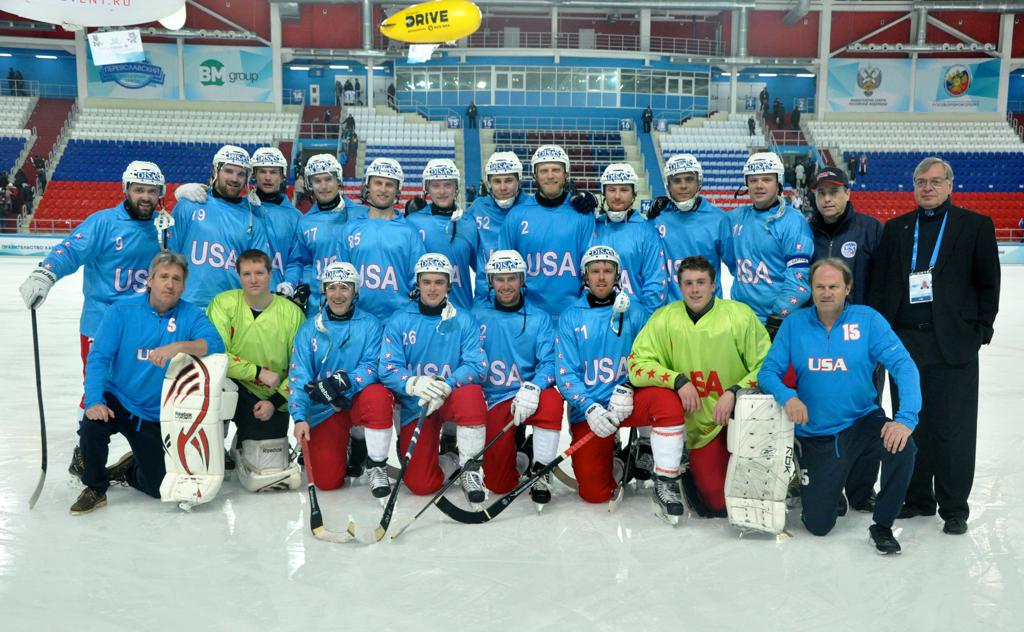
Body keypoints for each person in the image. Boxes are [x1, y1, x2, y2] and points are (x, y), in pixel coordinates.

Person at [869, 157, 1000, 535]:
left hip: (953, 344)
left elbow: (988, 284)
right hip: (904, 345)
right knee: (911, 421)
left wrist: (979, 332)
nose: (927, 187)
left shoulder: (974, 226)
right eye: (920, 181)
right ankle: (917, 498)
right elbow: (880, 286)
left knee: (954, 429)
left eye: (935, 181)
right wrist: (882, 337)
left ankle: (954, 506)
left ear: (949, 185)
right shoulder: (896, 230)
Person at [759, 258, 920, 554]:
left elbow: (903, 365)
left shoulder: (867, 320)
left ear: (848, 288)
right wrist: (788, 397)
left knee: (902, 445)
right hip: (817, 434)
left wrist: (906, 418)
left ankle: (881, 525)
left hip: (861, 422)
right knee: (818, 526)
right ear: (810, 289)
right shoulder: (795, 323)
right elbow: (768, 372)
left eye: (834, 286)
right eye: (819, 286)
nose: (826, 292)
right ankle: (830, 488)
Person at [19, 161, 167, 477]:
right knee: (97, 388)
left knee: (145, 389)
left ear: (160, 194)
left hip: (145, 326)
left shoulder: (163, 229)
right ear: (126, 190)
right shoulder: (104, 223)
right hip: (101, 326)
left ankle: (147, 448)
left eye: (151, 191)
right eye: (139, 189)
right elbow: (70, 250)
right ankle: (84, 451)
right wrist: (45, 273)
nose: (145, 196)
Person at [72, 252, 225, 514]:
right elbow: (99, 358)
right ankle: (95, 487)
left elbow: (215, 345)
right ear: (150, 280)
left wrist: (179, 345)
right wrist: (95, 400)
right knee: (93, 425)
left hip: (155, 412)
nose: (170, 284)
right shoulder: (121, 311)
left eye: (176, 279)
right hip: (119, 398)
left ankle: (129, 470)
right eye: (164, 277)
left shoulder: (191, 315)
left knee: (158, 487)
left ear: (184, 286)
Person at [628, 255, 770, 517]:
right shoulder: (664, 319)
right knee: (717, 504)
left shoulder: (739, 316)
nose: (695, 289)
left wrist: (735, 391)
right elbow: (636, 365)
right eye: (689, 283)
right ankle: (690, 465)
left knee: (752, 489)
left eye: (701, 282)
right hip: (696, 427)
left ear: (714, 285)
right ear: (679, 287)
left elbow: (767, 366)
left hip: (738, 418)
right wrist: (677, 380)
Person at [557, 245, 687, 522]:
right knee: (594, 493)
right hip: (592, 413)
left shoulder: (636, 313)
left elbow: (654, 359)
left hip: (629, 404)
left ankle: (665, 478)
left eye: (608, 270)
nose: (601, 277)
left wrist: (629, 385)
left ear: (617, 274)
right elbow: (565, 374)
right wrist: (589, 407)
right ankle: (615, 458)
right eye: (595, 271)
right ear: (585, 276)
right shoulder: (570, 316)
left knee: (667, 401)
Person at [378, 253, 489, 502]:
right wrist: (414, 383)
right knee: (421, 485)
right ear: (417, 284)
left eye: (439, 282)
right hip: (416, 405)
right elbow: (386, 367)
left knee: (471, 394)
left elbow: (478, 365)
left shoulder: (464, 320)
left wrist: (446, 385)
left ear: (449, 285)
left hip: (449, 398)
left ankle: (470, 468)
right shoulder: (400, 320)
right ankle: (450, 460)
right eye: (426, 282)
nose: (432, 288)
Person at [289, 262, 397, 496]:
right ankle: (344, 446)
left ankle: (371, 457)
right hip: (325, 408)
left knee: (379, 395)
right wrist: (299, 418)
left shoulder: (370, 324)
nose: (338, 295)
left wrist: (342, 383)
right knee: (326, 482)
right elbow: (299, 377)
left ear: (355, 291)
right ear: (324, 291)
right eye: (332, 288)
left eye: (345, 288)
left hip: (357, 400)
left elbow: (373, 367)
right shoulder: (309, 329)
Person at [206, 250, 306, 491]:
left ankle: (243, 442)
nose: (253, 279)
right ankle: (214, 440)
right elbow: (217, 355)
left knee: (270, 467)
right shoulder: (223, 303)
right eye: (247, 274)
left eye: (259, 273)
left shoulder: (292, 313)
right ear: (238, 276)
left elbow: (300, 367)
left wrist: (275, 400)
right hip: (231, 387)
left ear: (270, 274)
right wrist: (257, 371)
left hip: (269, 398)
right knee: (213, 388)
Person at [473, 250, 563, 505]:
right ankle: (525, 453)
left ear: (522, 280)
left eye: (511, 278)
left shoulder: (539, 318)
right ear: (490, 281)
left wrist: (534, 387)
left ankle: (541, 470)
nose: (505, 286)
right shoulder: (476, 315)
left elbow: (549, 362)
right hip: (495, 400)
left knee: (552, 400)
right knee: (499, 484)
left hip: (528, 396)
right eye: (499, 279)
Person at [499, 144, 598, 321]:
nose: (550, 176)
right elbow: (503, 269)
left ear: (565, 174)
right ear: (535, 175)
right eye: (544, 170)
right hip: (526, 315)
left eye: (556, 170)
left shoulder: (582, 214)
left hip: (573, 314)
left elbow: (591, 266)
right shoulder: (516, 215)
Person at [169, 146, 270, 311]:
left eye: (241, 174)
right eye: (228, 171)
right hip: (185, 305)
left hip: (230, 310)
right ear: (215, 171)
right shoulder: (189, 205)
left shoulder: (253, 220)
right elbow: (170, 256)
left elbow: (257, 270)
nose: (234, 178)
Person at [729, 152, 814, 336]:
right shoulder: (735, 217)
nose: (759, 185)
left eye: (766, 179)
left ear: (778, 183)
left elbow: (799, 281)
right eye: (753, 180)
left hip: (775, 325)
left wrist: (775, 320)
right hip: (738, 321)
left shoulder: (793, 222)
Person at [280, 153, 368, 316]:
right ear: (309, 184)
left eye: (328, 179)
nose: (323, 186)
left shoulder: (363, 215)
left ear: (338, 180)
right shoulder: (305, 222)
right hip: (317, 305)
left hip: (358, 302)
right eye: (317, 181)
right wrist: (293, 284)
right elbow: (302, 262)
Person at [341, 157, 424, 321]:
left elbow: (418, 281)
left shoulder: (409, 232)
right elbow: (342, 278)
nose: (383, 189)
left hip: (398, 322)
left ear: (398, 191)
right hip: (357, 320)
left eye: (389, 184)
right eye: (378, 183)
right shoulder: (350, 229)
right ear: (368, 187)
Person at [404, 159, 481, 311]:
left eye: (447, 185)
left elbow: (481, 270)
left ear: (456, 187)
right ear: (427, 189)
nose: (442, 191)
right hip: (421, 314)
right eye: (435, 185)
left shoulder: (469, 223)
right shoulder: (412, 222)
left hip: (461, 311)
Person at [593, 163, 667, 315]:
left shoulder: (646, 231)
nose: (617, 196)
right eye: (612, 190)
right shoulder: (594, 227)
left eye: (624, 190)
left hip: (633, 318)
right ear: (603, 193)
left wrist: (645, 319)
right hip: (596, 316)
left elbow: (654, 282)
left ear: (634, 193)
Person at [470, 152, 527, 304]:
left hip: (526, 298)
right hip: (485, 298)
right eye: (497, 181)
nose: (502, 187)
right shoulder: (477, 208)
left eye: (508, 180)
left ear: (519, 181)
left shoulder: (532, 208)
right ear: (489, 183)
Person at [246, 148, 302, 290]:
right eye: (263, 171)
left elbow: (296, 260)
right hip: (240, 294)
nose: (268, 177)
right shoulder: (241, 208)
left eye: (273, 172)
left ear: (283, 176)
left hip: (276, 295)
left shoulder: (296, 217)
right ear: (254, 175)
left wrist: (289, 283)